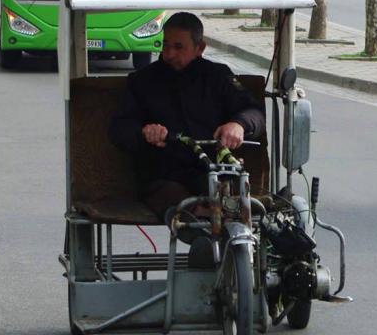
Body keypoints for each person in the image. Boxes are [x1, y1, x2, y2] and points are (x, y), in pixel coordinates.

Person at [109, 13, 266, 236]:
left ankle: (236, 256)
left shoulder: (218, 76)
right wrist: (144, 132)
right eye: (165, 45)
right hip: (163, 173)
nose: (169, 54)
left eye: (178, 47)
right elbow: (119, 129)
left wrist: (238, 124)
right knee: (186, 213)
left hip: (212, 170)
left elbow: (254, 112)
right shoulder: (142, 81)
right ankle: (201, 238)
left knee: (234, 208)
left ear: (200, 48)